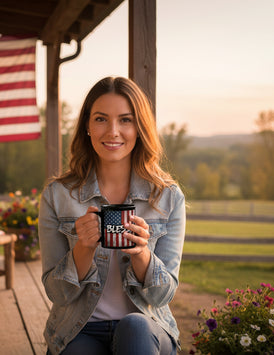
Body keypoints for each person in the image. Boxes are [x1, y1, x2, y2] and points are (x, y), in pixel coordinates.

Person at [39, 76, 186, 355]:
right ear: (86, 126)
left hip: (148, 329)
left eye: (126, 120)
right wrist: (83, 248)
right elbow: (56, 293)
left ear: (139, 127)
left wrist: (142, 253)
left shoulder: (167, 197)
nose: (113, 131)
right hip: (78, 329)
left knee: (135, 327)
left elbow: (163, 295)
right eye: (101, 119)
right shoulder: (57, 196)